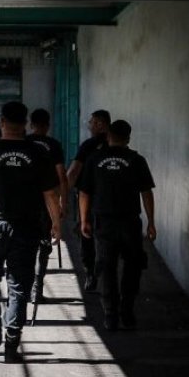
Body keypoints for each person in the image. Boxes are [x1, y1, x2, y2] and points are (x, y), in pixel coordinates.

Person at [0, 101, 62, 363]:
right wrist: (56, 223)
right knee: (19, 285)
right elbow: (51, 193)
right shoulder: (38, 153)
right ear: (25, 124)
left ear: (1, 122)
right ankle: (12, 341)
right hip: (27, 227)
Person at [78, 119, 156, 331]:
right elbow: (146, 192)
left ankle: (110, 315)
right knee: (133, 266)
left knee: (107, 268)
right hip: (130, 222)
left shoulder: (94, 159)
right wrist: (151, 222)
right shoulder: (136, 160)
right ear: (128, 138)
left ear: (108, 136)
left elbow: (84, 192)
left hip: (104, 223)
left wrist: (84, 220)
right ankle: (127, 311)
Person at [26, 108, 68, 302]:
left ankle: (22, 288)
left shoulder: (24, 142)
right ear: (48, 125)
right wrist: (63, 203)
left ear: (31, 124)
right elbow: (61, 176)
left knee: (24, 245)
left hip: (24, 202)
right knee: (43, 246)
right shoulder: (53, 145)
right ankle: (36, 290)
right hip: (46, 203)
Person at [66, 109, 111, 292]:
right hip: (113, 202)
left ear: (100, 124)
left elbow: (74, 172)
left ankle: (91, 273)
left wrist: (62, 197)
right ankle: (105, 271)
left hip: (89, 200)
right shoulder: (118, 144)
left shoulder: (89, 145)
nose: (89, 125)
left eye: (92, 122)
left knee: (86, 234)